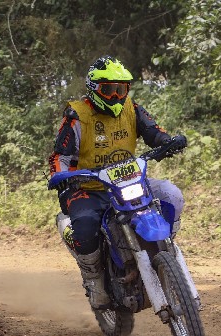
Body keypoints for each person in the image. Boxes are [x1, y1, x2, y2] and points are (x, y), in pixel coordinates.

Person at [48, 55, 185, 309]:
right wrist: (61, 176)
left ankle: (166, 248)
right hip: (89, 187)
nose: (115, 96)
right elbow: (60, 157)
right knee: (85, 226)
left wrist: (168, 142)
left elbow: (154, 133)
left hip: (128, 181)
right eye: (108, 89)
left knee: (171, 194)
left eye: (121, 89)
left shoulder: (132, 109)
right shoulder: (77, 116)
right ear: (94, 89)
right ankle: (94, 281)